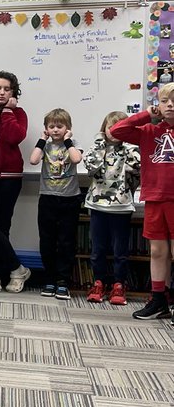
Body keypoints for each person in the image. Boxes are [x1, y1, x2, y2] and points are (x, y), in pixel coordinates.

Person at [110, 88, 174, 320]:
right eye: (164, 101)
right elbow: (116, 131)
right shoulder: (149, 131)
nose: (169, 105)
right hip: (155, 197)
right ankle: (159, 300)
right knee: (158, 251)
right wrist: (146, 114)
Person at [82, 110, 140, 305]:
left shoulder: (130, 149)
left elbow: (139, 164)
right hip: (98, 205)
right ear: (103, 130)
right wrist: (100, 141)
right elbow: (91, 167)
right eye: (110, 128)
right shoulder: (97, 148)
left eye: (119, 128)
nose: (114, 132)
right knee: (98, 249)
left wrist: (130, 138)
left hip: (121, 207)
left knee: (119, 251)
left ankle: (118, 285)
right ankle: (98, 283)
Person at [0, 70, 30, 293]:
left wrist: (8, 111)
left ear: (13, 92)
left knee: (3, 226)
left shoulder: (19, 113)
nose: (1, 92)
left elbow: (13, 137)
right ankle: (16, 268)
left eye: (7, 89)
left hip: (11, 177)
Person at [30, 108, 83, 300]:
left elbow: (76, 159)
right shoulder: (45, 146)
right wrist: (42, 140)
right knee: (47, 241)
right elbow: (33, 160)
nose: (55, 130)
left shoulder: (73, 145)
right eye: (51, 126)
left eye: (59, 126)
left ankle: (63, 281)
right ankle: (50, 279)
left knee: (66, 242)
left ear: (68, 128)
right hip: (48, 198)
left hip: (69, 199)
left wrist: (68, 141)